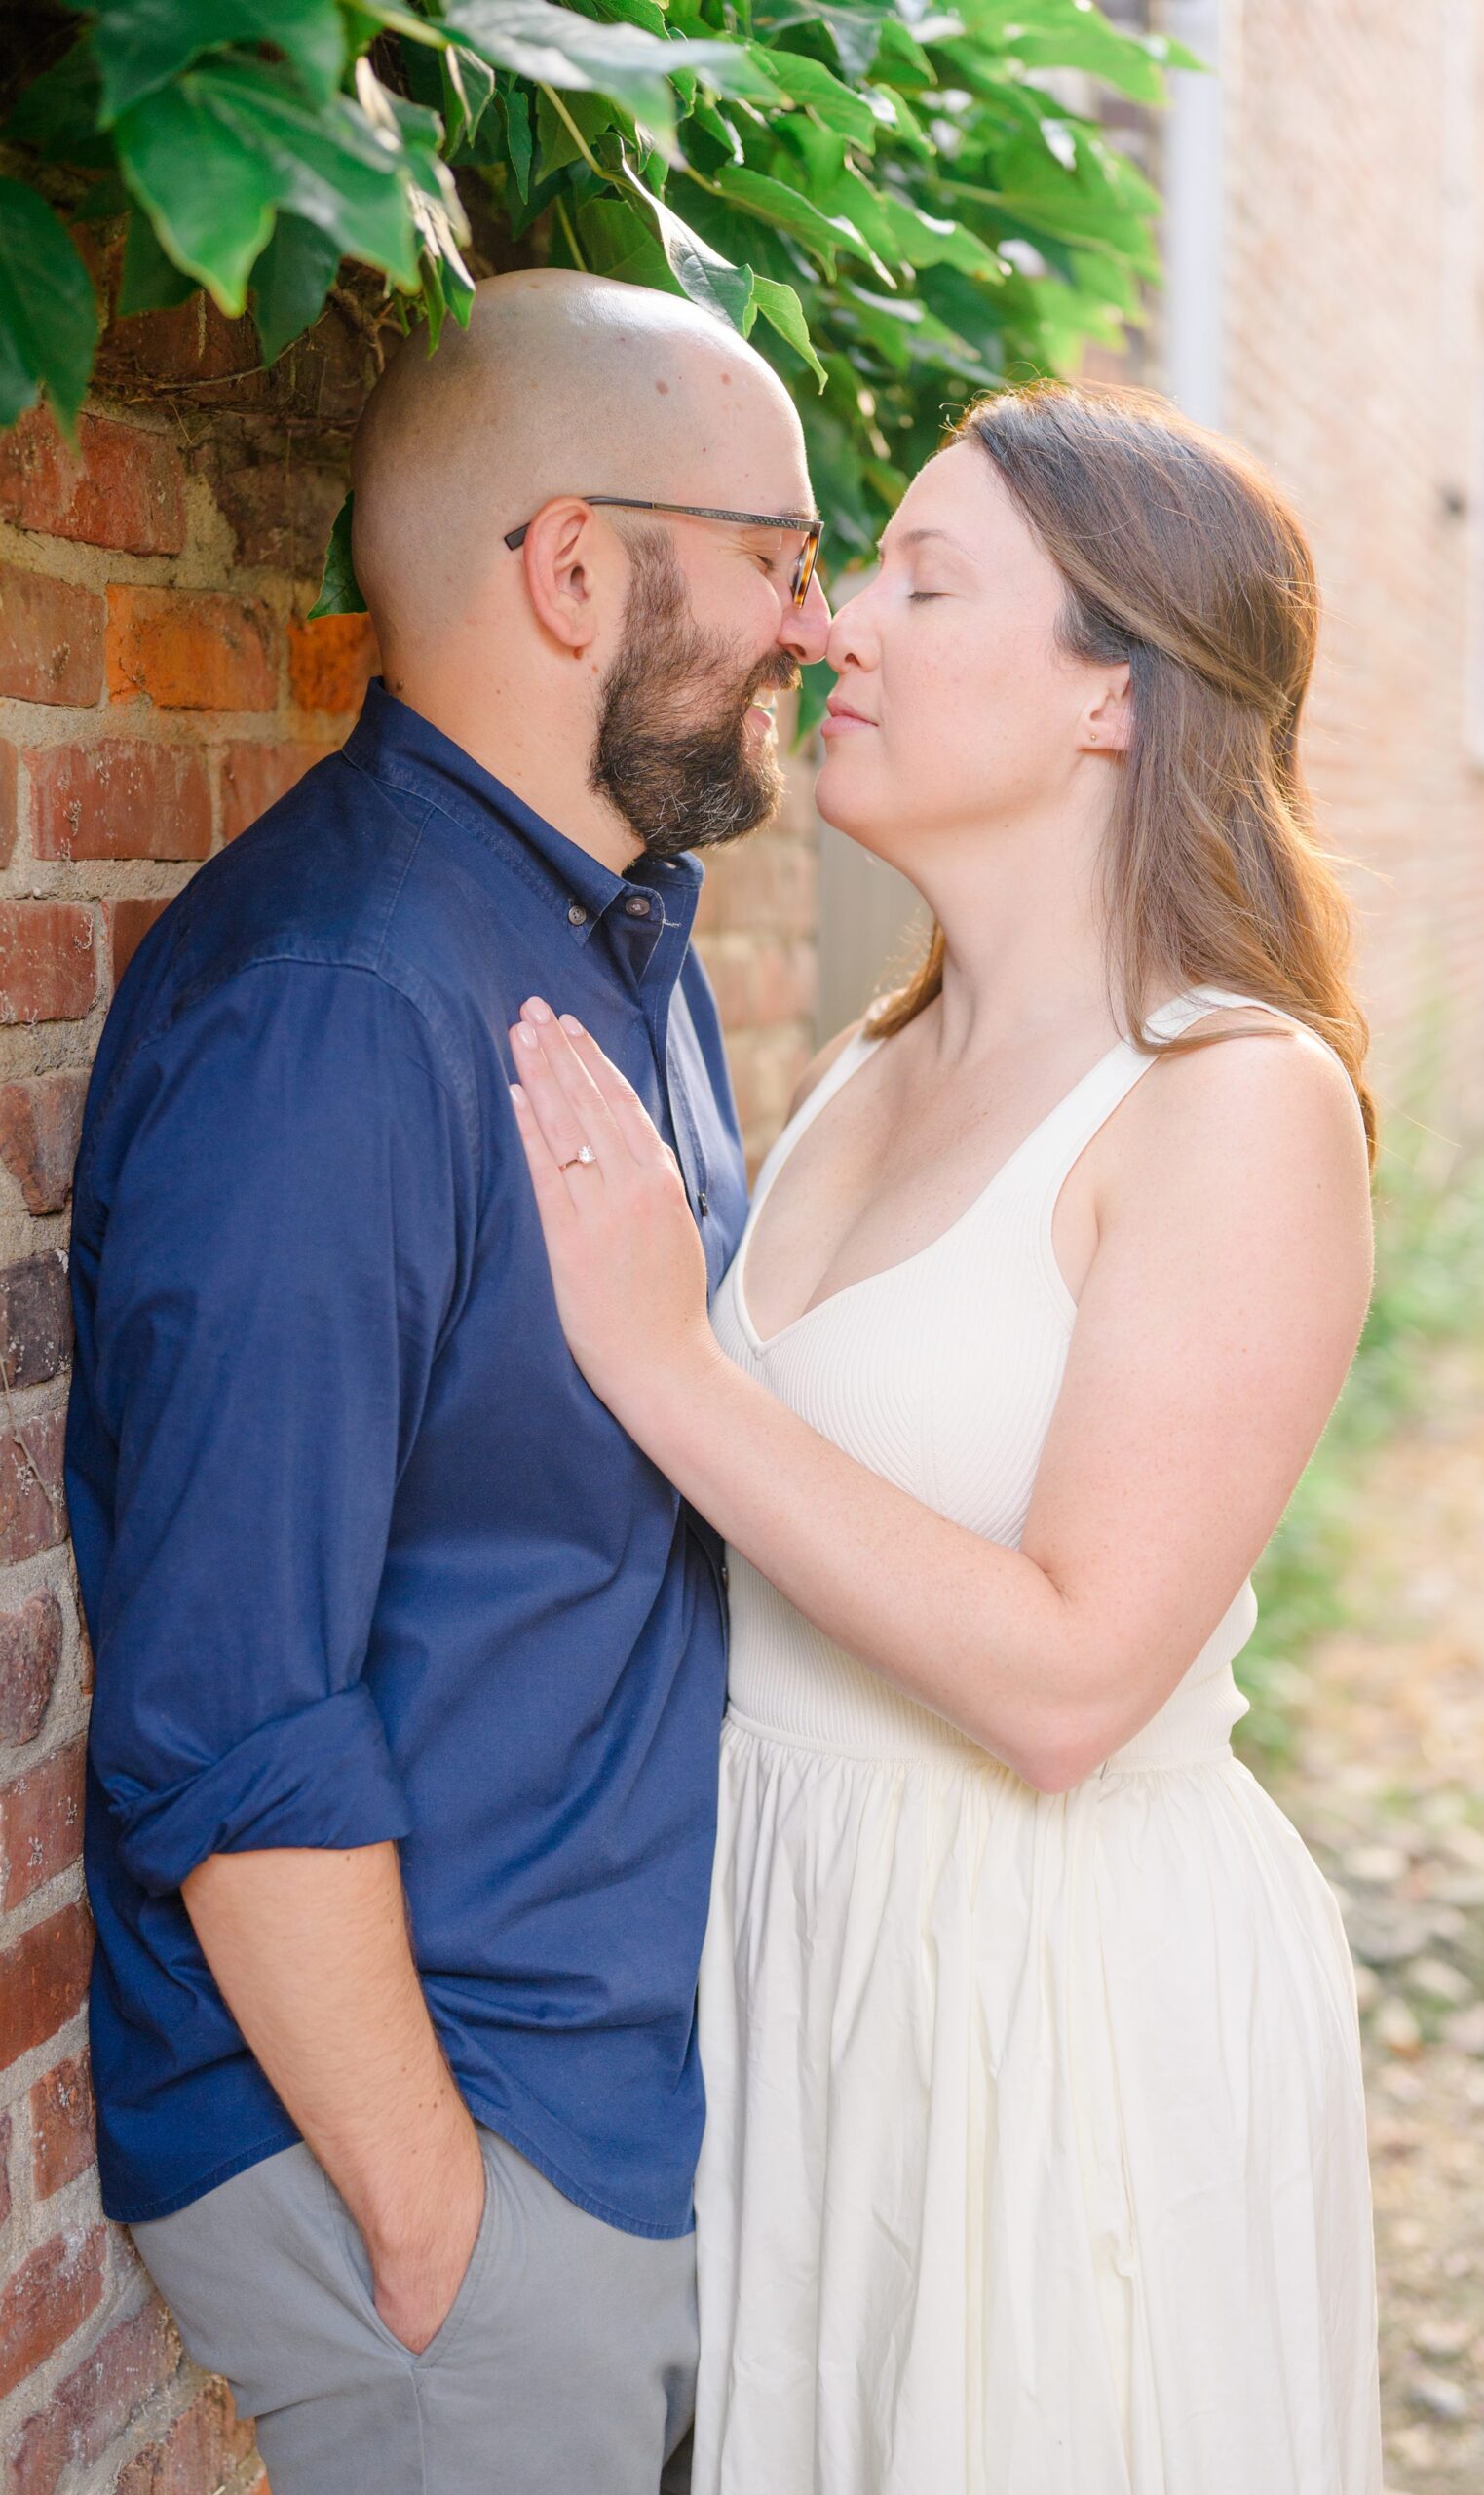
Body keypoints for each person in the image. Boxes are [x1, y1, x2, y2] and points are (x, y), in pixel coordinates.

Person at [506, 380, 1387, 2493]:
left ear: (1116, 701)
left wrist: (669, 1368)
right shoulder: (862, 1076)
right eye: (854, 578)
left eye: (925, 580)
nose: (835, 631)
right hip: (810, 1972)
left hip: (1052, 2010)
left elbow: (1079, 1675)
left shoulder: (1231, 1099)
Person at [65, 267, 829, 2495]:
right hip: (449, 2172)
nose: (815, 619)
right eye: (780, 557)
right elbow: (230, 1698)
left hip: (597, 2096)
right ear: (579, 563)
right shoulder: (342, 1008)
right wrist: (434, 2224)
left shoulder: (612, 928)